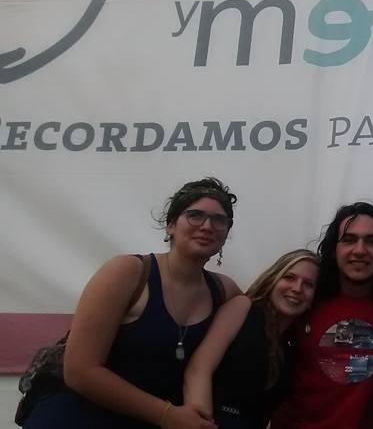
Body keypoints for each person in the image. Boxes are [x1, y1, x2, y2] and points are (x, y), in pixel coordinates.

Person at [23, 177, 241, 429]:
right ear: (171, 225)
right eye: (195, 215)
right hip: (78, 413)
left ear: (226, 233)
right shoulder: (128, 272)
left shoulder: (224, 291)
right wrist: (168, 416)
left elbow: (265, 313)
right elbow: (80, 371)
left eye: (219, 220)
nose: (207, 226)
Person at [271, 202, 373, 429]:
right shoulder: (304, 300)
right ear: (334, 250)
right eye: (349, 240)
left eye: (372, 241)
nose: (360, 250)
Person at [183, 249, 321, 429]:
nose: (297, 289)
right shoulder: (243, 308)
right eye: (289, 277)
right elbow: (198, 370)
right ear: (273, 279)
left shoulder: (292, 346)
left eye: (308, 284)